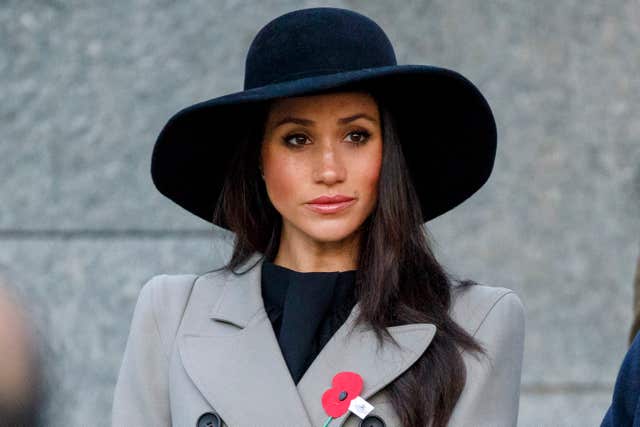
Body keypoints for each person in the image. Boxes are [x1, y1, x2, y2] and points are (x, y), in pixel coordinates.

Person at [112, 7, 525, 427]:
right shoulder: (171, 313)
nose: (329, 170)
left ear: (390, 153)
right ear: (260, 158)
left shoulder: (477, 322)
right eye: (297, 139)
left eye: (356, 136)